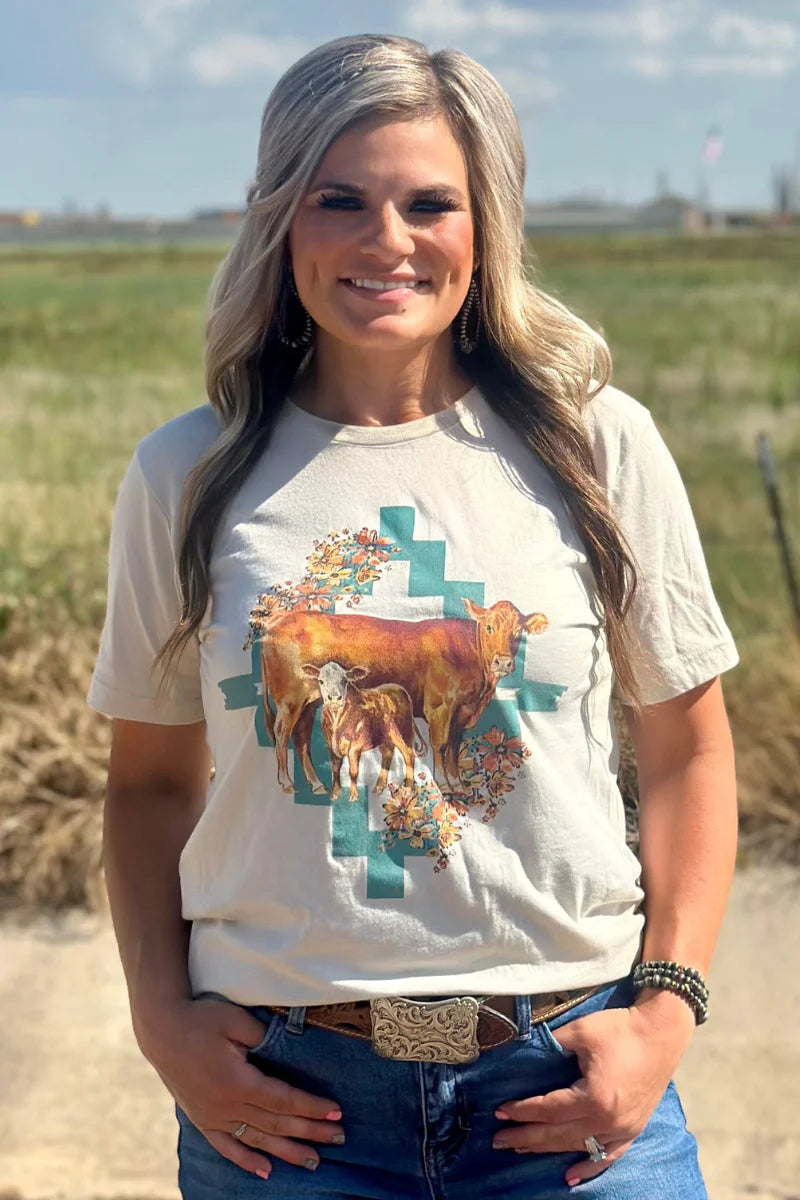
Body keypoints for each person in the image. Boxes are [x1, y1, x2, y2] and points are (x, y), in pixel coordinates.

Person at [87, 33, 739, 1200]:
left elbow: (687, 749)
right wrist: (160, 1020)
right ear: (280, 217)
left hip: (567, 1094)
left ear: (484, 226)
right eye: (339, 199)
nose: (385, 240)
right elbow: (146, 786)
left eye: (429, 203)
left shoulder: (596, 447)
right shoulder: (187, 476)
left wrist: (665, 1010)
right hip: (287, 1109)